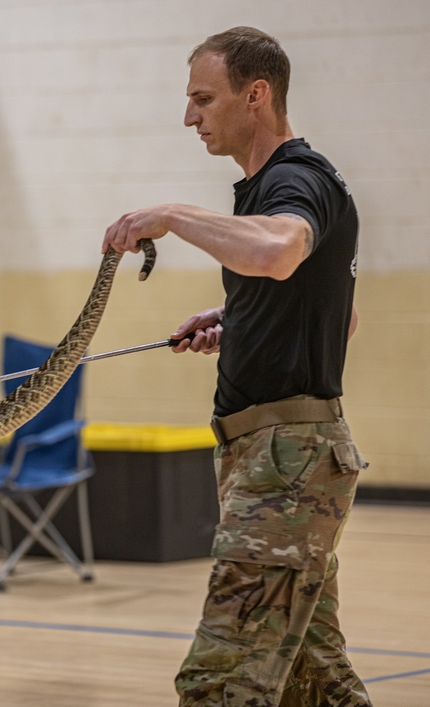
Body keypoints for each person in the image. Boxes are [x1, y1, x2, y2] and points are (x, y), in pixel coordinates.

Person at [102, 28, 370, 706]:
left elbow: (279, 252)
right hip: (280, 456)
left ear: (256, 95)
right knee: (315, 680)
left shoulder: (293, 179)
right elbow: (340, 314)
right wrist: (242, 318)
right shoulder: (273, 188)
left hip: (286, 463)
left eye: (202, 98)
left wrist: (170, 214)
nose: (190, 117)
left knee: (220, 681)